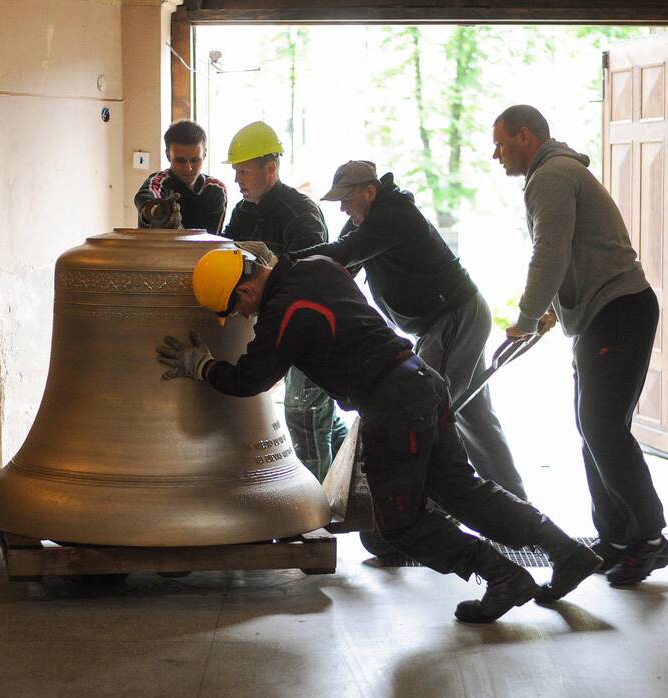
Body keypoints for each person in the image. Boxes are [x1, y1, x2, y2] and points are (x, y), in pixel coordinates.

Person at [156, 247, 602, 622]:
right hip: (422, 383)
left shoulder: (284, 312)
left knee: (399, 524)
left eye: (236, 306)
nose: (241, 314)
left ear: (248, 287)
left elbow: (248, 379)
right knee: (464, 490)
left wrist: (202, 366)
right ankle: (565, 551)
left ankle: (502, 576)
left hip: (393, 406)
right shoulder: (317, 267)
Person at [491, 104, 668, 586]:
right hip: (605, 313)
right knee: (593, 426)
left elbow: (549, 251)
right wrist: (553, 310)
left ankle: (650, 540)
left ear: (525, 136)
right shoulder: (556, 172)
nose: (496, 154)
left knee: (603, 427)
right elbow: (573, 251)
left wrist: (527, 317)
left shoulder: (551, 175)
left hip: (618, 311)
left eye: (501, 143)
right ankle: (615, 538)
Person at [288, 160, 536, 501]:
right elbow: (339, 268)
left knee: (426, 410)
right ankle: (514, 505)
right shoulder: (365, 222)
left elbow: (341, 253)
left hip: (453, 317)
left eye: (347, 198)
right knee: (474, 417)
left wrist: (281, 265)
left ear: (369, 192)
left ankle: (435, 509)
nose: (343, 207)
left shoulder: (392, 216)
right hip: (445, 321)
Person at [221, 121, 347, 481]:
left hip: (310, 330)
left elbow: (305, 284)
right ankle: (348, 492)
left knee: (305, 415)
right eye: (235, 172)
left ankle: (317, 517)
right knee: (320, 419)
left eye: (243, 171)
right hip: (279, 323)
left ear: (270, 169)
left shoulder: (300, 215)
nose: (237, 180)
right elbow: (225, 254)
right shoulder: (245, 211)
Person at [134, 120, 227, 234]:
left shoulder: (215, 190)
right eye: (180, 161)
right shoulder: (161, 182)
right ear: (168, 156)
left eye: (195, 160)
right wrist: (156, 210)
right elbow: (146, 195)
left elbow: (212, 242)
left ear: (204, 155)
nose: (188, 168)